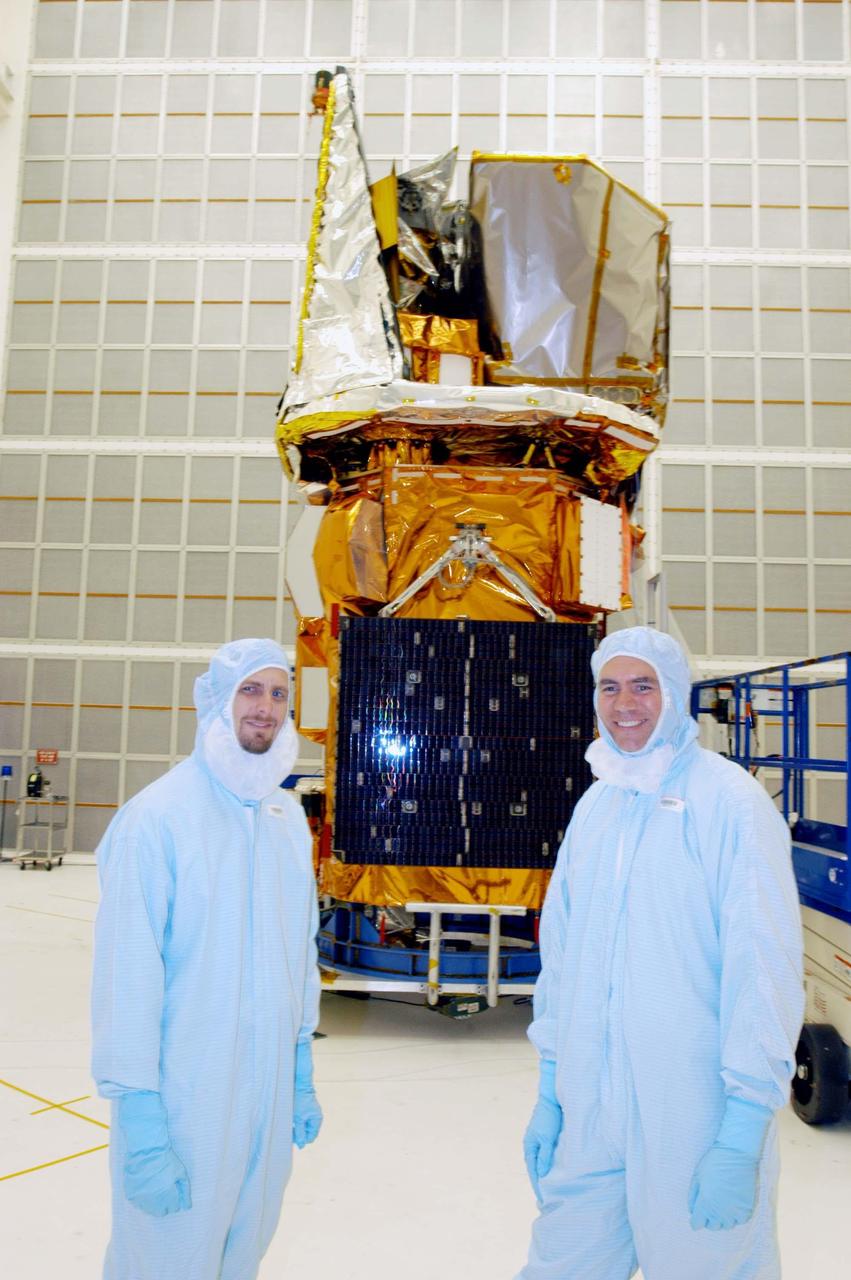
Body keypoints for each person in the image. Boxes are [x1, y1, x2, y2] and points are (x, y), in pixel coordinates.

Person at [518, 626, 803, 1280]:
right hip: (590, 1109)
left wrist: (740, 1130)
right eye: (610, 687)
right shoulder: (596, 807)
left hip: (694, 1114)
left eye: (642, 685)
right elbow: (562, 957)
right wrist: (552, 1087)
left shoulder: (730, 803)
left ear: (674, 694)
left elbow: (762, 969)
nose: (625, 703)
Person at [91, 638, 322, 1280]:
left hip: (266, 1093)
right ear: (217, 701)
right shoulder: (158, 819)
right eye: (251, 690)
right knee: (165, 1260)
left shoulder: (283, 818)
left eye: (279, 694)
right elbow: (126, 979)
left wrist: (298, 1063)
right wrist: (138, 1111)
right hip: (184, 1098)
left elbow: (296, 953)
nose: (266, 708)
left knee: (240, 1254)